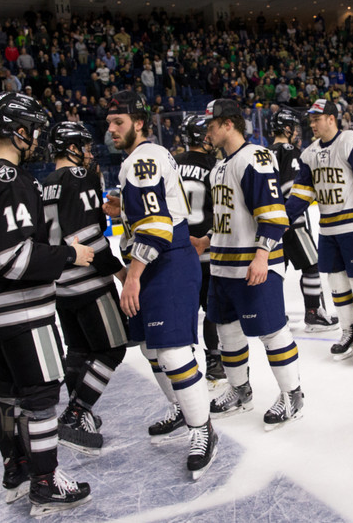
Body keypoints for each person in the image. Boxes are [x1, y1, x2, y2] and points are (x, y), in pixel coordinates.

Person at [0, 92, 94, 516]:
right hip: (19, 311)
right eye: (33, 130)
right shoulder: (9, 178)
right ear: (18, 130)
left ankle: (16, 471)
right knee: (40, 396)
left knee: (7, 392)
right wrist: (70, 255)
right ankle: (46, 481)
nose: (37, 138)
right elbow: (11, 258)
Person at [100, 91, 216, 479]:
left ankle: (203, 430)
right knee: (151, 347)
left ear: (139, 122)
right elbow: (161, 209)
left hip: (165, 262)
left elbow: (157, 226)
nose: (111, 129)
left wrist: (132, 276)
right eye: (109, 122)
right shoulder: (146, 156)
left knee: (172, 351)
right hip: (157, 259)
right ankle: (183, 409)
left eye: (118, 122)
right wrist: (125, 210)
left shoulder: (142, 159)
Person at [195, 98, 303, 428]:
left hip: (253, 264)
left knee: (271, 331)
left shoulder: (255, 157)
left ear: (229, 124)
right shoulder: (219, 167)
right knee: (227, 332)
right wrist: (207, 239)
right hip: (222, 265)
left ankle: (293, 394)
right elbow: (229, 216)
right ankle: (240, 390)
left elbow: (274, 214)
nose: (208, 133)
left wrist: (262, 256)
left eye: (211, 125)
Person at [41, 121, 129, 457]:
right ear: (72, 148)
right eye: (86, 147)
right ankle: (77, 413)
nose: (90, 154)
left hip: (61, 285)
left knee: (78, 350)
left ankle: (77, 412)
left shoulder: (46, 183)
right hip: (89, 283)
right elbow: (89, 237)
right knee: (113, 348)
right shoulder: (80, 178)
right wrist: (120, 272)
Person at [285, 99, 353, 364]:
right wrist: (280, 220)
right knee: (338, 284)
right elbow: (300, 196)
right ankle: (348, 331)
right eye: (310, 120)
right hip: (329, 229)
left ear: (331, 118)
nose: (312, 124)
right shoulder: (309, 153)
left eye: (316, 119)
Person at [268, 108, 338, 331]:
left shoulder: (264, 152)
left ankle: (275, 316)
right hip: (292, 222)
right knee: (312, 265)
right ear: (287, 128)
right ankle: (313, 314)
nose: (297, 132)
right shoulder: (291, 151)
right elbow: (293, 190)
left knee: (276, 271)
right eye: (294, 128)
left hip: (269, 223)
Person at [173, 115, 224, 383]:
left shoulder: (171, 164)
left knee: (184, 311)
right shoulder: (216, 167)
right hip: (208, 248)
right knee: (213, 310)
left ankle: (185, 362)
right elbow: (225, 210)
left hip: (179, 251)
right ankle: (215, 360)